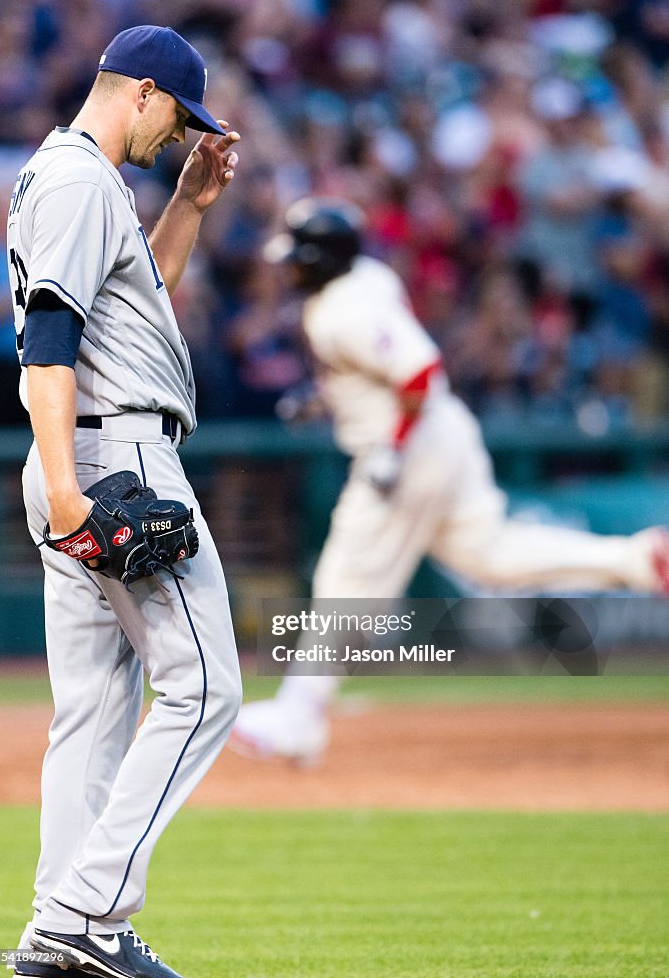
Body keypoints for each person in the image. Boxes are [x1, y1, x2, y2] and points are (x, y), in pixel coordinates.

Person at [230, 198, 669, 765]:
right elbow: (385, 371)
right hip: (445, 436)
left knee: (347, 574)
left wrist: (393, 446)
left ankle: (298, 716)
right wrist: (327, 399)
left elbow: (418, 370)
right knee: (489, 553)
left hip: (408, 450)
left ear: (319, 260)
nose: (288, 267)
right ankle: (637, 559)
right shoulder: (366, 277)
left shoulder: (341, 309)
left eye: (298, 257)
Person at [7, 26, 242, 978]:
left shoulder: (83, 183)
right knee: (205, 687)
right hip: (107, 457)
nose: (177, 138)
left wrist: (186, 207)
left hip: (94, 447)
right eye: (178, 119)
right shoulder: (76, 179)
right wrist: (70, 492)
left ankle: (53, 933)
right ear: (142, 92)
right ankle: (86, 914)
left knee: (98, 711)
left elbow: (123, 318)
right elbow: (49, 345)